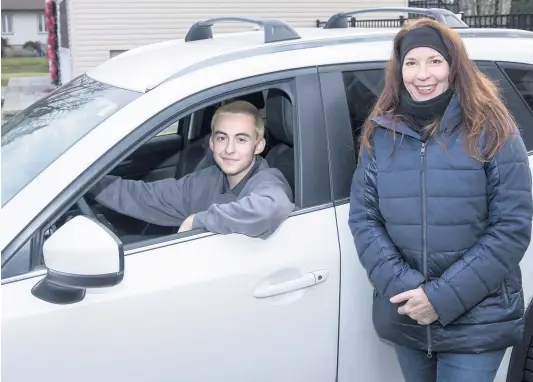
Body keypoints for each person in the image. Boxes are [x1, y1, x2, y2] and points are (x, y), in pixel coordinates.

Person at [348, 18, 532, 382]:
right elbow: (364, 219)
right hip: (408, 315)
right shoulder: (380, 132)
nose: (422, 74)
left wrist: (440, 298)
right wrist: (409, 291)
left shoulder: (493, 129)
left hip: (478, 319)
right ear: (398, 70)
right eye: (411, 63)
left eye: (434, 60)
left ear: (453, 65)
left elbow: (512, 227)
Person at [90, 100, 295, 239]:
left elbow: (272, 208)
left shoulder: (268, 180)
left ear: (258, 146)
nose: (229, 149)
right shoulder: (209, 178)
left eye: (241, 139)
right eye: (222, 138)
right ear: (212, 143)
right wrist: (91, 182)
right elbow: (148, 196)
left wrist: (198, 220)